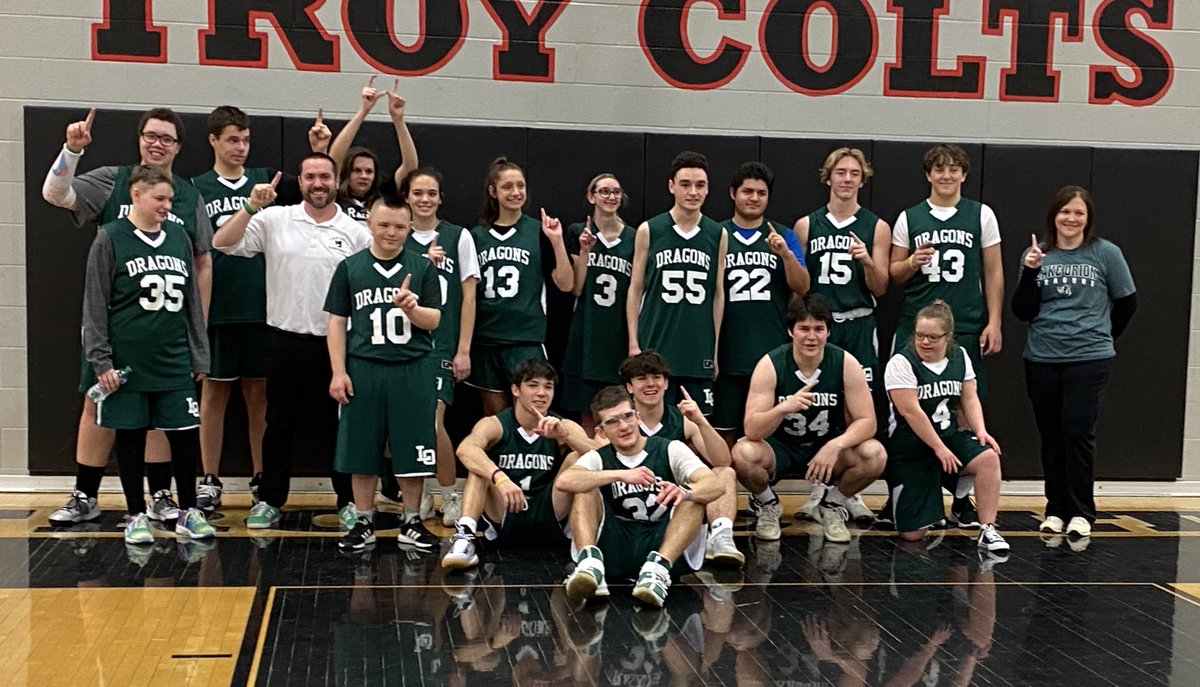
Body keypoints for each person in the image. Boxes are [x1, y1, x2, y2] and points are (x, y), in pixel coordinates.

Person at [42, 107, 213, 525]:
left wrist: (197, 331)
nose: (157, 143)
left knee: (161, 413)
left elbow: (203, 262)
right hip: (119, 328)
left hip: (167, 331)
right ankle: (85, 493)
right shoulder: (111, 180)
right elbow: (55, 193)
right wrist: (71, 151)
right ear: (139, 139)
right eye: (151, 135)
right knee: (97, 403)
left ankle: (160, 496)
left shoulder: (189, 196)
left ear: (178, 147)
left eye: (167, 138)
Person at [213, 152, 372, 530]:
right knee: (278, 424)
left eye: (325, 177)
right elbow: (222, 242)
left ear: (337, 182)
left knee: (340, 429)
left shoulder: (355, 231)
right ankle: (270, 500)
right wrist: (251, 206)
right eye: (311, 177)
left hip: (337, 346)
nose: (318, 184)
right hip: (283, 341)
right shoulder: (273, 218)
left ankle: (347, 501)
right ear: (299, 182)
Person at [80, 164, 214, 543]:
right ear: (136, 194)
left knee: (185, 435)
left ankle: (188, 511)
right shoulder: (110, 237)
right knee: (131, 436)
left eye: (170, 199)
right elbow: (94, 303)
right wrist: (101, 360)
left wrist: (198, 355)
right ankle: (135, 514)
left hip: (173, 358)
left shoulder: (178, 237)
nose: (166, 206)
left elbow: (191, 303)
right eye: (160, 198)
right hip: (128, 362)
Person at [190, 105, 308, 512]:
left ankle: (261, 479)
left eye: (245, 140)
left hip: (262, 309)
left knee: (260, 395)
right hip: (218, 309)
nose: (240, 147)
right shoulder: (197, 187)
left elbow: (325, 180)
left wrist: (321, 146)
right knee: (214, 393)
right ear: (214, 140)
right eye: (232, 140)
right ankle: (208, 478)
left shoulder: (266, 181)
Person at [887, 143, 1003, 526]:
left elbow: (993, 271)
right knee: (905, 411)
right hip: (915, 326)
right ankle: (904, 489)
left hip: (965, 324)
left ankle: (962, 498)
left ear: (964, 175)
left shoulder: (981, 214)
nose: (946, 175)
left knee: (965, 412)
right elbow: (893, 274)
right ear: (928, 174)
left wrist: (995, 320)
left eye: (954, 169)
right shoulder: (910, 217)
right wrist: (911, 262)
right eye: (939, 169)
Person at [1013, 186, 1136, 538]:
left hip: (1089, 358)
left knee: (1078, 432)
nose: (1071, 218)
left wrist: (1103, 336)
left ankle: (1082, 512)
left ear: (1088, 218)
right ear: (1054, 216)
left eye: (1078, 213)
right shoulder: (1037, 254)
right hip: (1042, 357)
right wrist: (1031, 271)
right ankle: (1055, 509)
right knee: (1051, 435)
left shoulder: (1105, 253)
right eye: (1065, 212)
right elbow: (1022, 311)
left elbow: (1127, 302)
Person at [325, 197, 443, 551]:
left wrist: (413, 309)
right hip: (365, 367)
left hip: (413, 368)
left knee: (413, 447)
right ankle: (363, 520)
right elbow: (336, 322)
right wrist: (338, 371)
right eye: (384, 225)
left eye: (399, 226)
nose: (391, 232)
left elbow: (435, 320)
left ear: (409, 229)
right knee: (362, 447)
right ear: (369, 225)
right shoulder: (350, 267)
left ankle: (411, 520)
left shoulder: (422, 269)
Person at [728, 294, 886, 543]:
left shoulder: (846, 362)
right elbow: (752, 429)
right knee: (742, 453)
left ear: (828, 332)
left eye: (818, 329)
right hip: (781, 447)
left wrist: (836, 445)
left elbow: (868, 422)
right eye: (804, 328)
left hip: (825, 445)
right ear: (791, 331)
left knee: (874, 454)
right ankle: (768, 504)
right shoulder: (771, 364)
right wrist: (782, 408)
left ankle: (832, 505)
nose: (811, 336)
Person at [557, 385, 724, 607]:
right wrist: (622, 475)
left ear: (638, 416)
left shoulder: (670, 448)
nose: (623, 426)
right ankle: (590, 563)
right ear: (601, 431)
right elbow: (564, 482)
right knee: (584, 487)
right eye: (612, 421)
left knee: (693, 499)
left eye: (627, 416)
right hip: (616, 543)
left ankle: (657, 570)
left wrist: (685, 491)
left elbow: (716, 485)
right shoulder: (599, 457)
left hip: (662, 540)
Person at [794, 147, 891, 522]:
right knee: (821, 403)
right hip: (822, 325)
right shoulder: (806, 224)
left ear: (862, 180)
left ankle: (849, 493)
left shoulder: (876, 226)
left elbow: (881, 287)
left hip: (860, 321)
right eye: (841, 172)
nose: (847, 179)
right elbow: (798, 284)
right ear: (828, 177)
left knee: (858, 408)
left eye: (854, 174)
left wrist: (867, 261)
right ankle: (818, 487)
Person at [441, 359, 594, 570]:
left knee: (578, 458)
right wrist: (500, 478)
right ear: (515, 390)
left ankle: (584, 546)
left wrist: (566, 436)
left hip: (549, 510)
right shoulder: (496, 424)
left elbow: (604, 457)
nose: (542, 393)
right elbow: (465, 449)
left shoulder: (562, 425)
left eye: (548, 387)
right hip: (504, 509)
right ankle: (464, 538)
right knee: (479, 464)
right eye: (533, 385)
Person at [884, 300, 1008, 556]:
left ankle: (988, 529)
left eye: (932, 337)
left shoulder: (960, 355)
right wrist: (939, 449)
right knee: (912, 535)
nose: (925, 342)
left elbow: (969, 397)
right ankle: (937, 487)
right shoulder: (900, 362)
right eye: (920, 335)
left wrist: (980, 430)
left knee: (988, 457)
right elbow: (911, 412)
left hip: (948, 437)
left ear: (948, 336)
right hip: (911, 448)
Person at [402, 167, 480, 526]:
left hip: (439, 345)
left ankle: (450, 494)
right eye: (418, 192)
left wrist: (463, 349)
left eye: (431, 193)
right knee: (400, 425)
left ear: (440, 198)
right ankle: (416, 497)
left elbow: (468, 296)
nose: (424, 199)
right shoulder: (396, 236)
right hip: (398, 345)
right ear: (407, 197)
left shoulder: (458, 236)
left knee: (432, 423)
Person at [467, 158, 573, 415]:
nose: (515, 192)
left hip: (525, 337)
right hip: (487, 337)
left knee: (530, 413)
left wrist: (557, 242)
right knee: (493, 415)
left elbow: (567, 284)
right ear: (493, 191)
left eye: (520, 186)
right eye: (507, 187)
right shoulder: (474, 236)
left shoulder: (539, 231)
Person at [626, 151, 728, 416]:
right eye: (685, 184)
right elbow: (636, 290)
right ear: (671, 186)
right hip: (656, 343)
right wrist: (634, 344)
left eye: (700, 185)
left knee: (698, 430)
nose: (693, 192)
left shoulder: (718, 234)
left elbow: (717, 294)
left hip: (697, 348)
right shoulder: (651, 229)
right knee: (651, 427)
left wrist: (713, 349)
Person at [618, 351, 742, 566]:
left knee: (724, 473)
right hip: (629, 507)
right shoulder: (619, 422)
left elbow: (723, 460)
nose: (650, 384)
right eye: (641, 378)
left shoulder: (681, 419)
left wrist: (701, 422)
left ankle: (721, 538)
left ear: (666, 383)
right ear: (629, 387)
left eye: (656, 377)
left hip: (676, 507)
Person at [715, 161, 807, 440]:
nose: (754, 198)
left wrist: (786, 255)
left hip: (770, 346)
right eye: (747, 191)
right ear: (733, 193)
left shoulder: (782, 234)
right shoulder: (715, 233)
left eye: (761, 193)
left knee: (767, 431)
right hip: (728, 348)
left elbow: (803, 286)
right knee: (725, 431)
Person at [562, 173, 636, 435]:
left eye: (616, 192)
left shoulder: (634, 237)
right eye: (604, 191)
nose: (611, 196)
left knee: (620, 413)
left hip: (617, 334)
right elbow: (576, 287)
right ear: (591, 196)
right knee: (588, 415)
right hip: (587, 333)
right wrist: (584, 252)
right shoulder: (577, 231)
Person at [328, 76, 419, 223]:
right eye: (357, 170)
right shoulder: (335, 196)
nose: (364, 176)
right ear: (346, 173)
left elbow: (410, 167)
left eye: (369, 171)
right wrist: (363, 111)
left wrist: (398, 119)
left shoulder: (382, 197)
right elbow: (333, 160)